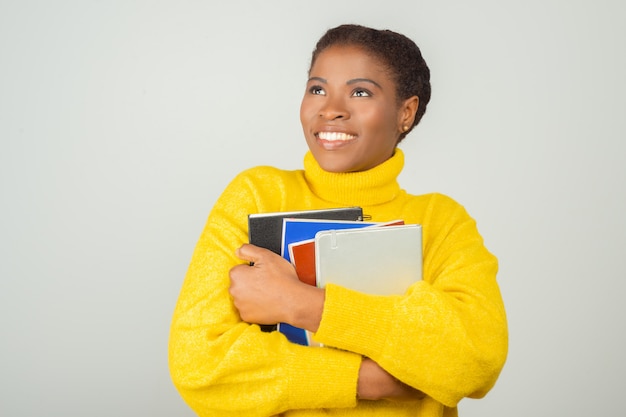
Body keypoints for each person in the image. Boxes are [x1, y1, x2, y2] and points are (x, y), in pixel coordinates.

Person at [168, 24, 508, 417]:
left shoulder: (442, 221)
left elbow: (475, 360)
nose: (331, 108)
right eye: (317, 89)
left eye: (360, 92)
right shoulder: (256, 195)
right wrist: (368, 380)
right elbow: (199, 364)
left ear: (406, 112)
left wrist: (299, 303)